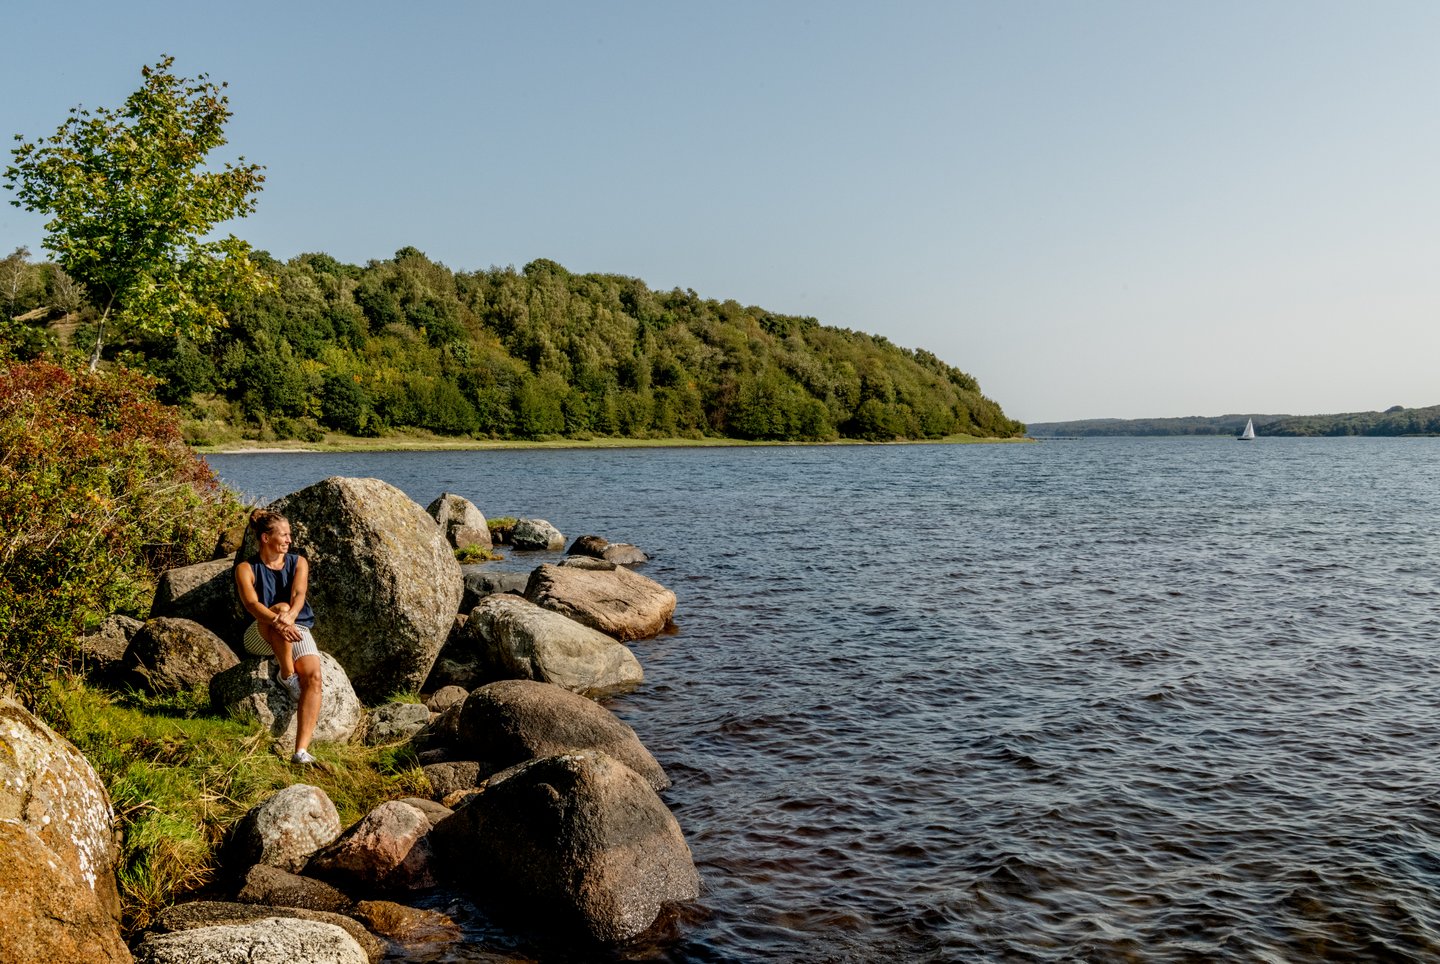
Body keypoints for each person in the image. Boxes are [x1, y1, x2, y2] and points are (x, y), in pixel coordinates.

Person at [235, 508, 323, 765]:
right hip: (259, 633)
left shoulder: (299, 562)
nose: (289, 540)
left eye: (289, 535)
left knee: (314, 677)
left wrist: (290, 617)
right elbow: (252, 605)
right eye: (283, 535)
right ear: (265, 538)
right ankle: (286, 675)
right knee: (280, 609)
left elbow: (298, 596)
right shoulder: (246, 568)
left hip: (295, 626)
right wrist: (278, 619)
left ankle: (301, 752)